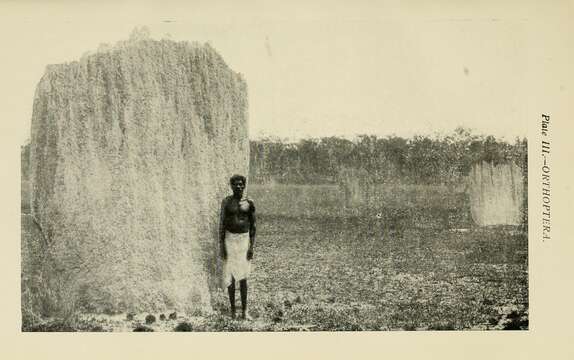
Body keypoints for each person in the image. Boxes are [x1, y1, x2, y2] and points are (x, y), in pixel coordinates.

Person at [219, 174, 256, 320]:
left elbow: (253, 226)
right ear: (231, 186)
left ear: (244, 185)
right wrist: (221, 245)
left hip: (243, 240)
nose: (239, 186)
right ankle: (233, 311)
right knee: (231, 276)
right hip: (230, 239)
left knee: (243, 276)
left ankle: (244, 311)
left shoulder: (249, 202)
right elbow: (221, 224)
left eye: (241, 184)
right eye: (236, 184)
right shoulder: (227, 202)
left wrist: (251, 247)